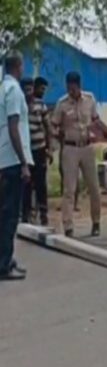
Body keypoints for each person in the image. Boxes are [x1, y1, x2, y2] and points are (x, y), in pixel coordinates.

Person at [52, 72, 107, 237]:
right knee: (69, 189)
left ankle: (96, 222)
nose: (71, 91)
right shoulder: (62, 103)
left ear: (79, 86)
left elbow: (96, 119)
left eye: (73, 87)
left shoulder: (89, 99)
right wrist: (58, 136)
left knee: (94, 187)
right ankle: (68, 225)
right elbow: (53, 125)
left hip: (86, 147)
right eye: (68, 88)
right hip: (70, 148)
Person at [0, 52, 32, 280]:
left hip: (4, 159)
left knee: (6, 213)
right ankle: (4, 265)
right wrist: (23, 162)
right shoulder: (14, 91)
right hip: (12, 160)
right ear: (18, 67)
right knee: (10, 215)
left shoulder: (2, 88)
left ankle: (7, 259)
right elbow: (13, 127)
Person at [22, 77, 51, 225]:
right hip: (25, 152)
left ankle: (43, 213)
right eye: (25, 90)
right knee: (26, 184)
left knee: (41, 184)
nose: (28, 93)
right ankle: (25, 214)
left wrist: (49, 149)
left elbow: (48, 128)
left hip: (39, 149)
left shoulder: (40, 105)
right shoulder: (19, 106)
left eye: (30, 89)